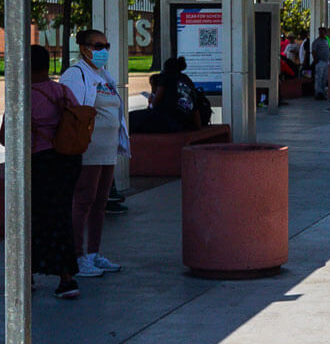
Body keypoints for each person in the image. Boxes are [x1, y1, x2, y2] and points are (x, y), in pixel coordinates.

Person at [61, 28, 130, 279]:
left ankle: (93, 253)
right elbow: (73, 112)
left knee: (100, 202)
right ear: (83, 48)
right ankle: (77, 256)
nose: (102, 51)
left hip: (108, 149)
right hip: (87, 149)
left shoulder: (104, 76)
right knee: (83, 200)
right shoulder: (76, 74)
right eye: (97, 46)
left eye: (106, 45)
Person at [26, 44, 85, 299]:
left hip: (39, 162)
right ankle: (66, 276)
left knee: (31, 218)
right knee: (61, 214)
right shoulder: (62, 91)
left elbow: (6, 137)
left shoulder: (24, 96)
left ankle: (26, 274)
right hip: (68, 160)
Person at [132, 56, 209, 133]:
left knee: (131, 118)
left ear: (166, 67)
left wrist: (151, 102)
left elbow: (155, 103)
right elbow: (194, 109)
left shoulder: (166, 77)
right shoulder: (187, 80)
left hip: (167, 120)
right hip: (182, 122)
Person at [311, 27, 330, 101]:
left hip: (326, 61)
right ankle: (318, 93)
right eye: (320, 32)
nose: (321, 33)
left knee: (325, 78)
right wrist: (316, 60)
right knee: (319, 78)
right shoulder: (316, 41)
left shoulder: (326, 40)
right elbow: (314, 51)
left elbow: (329, 50)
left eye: (323, 32)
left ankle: (323, 93)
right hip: (320, 61)